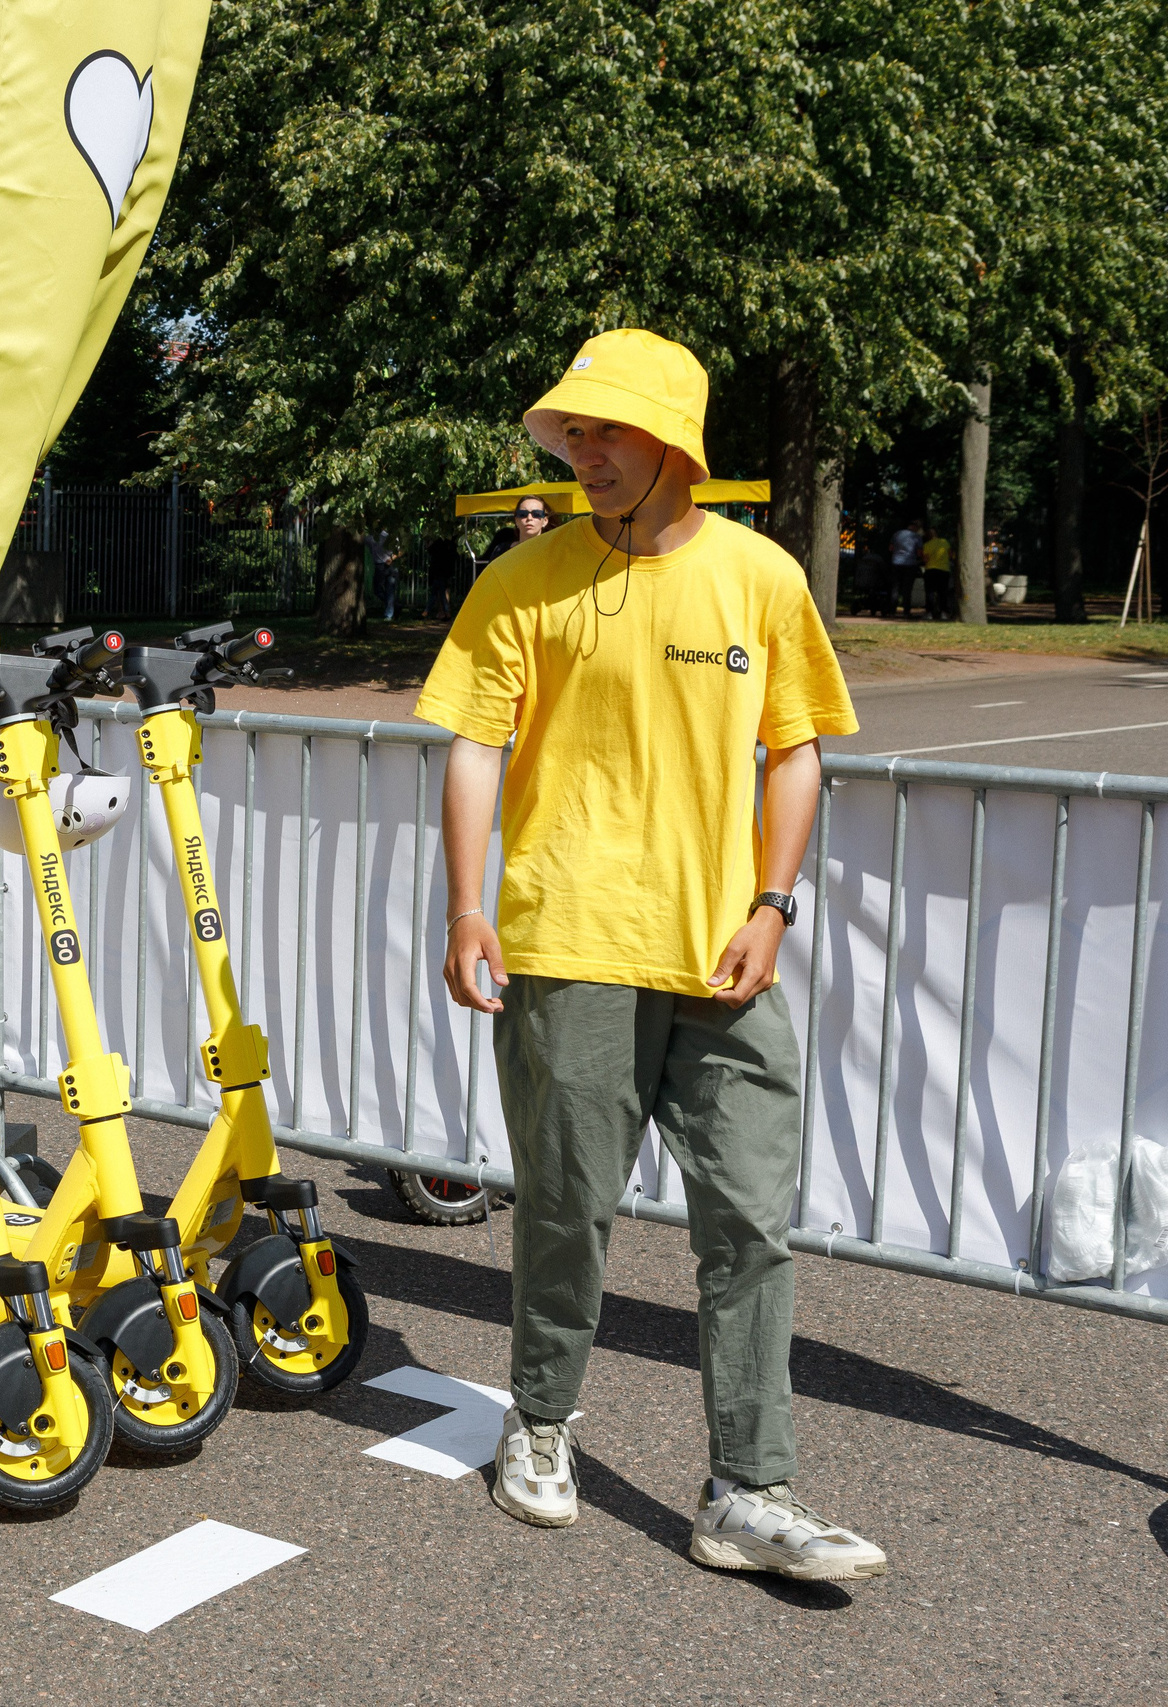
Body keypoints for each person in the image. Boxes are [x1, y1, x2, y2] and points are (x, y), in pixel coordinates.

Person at [416, 328, 887, 1582]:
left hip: (721, 956)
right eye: (573, 432)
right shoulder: (522, 583)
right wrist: (468, 910)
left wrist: (774, 903)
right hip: (568, 942)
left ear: (676, 441)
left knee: (750, 1223)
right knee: (566, 1209)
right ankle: (540, 1422)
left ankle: (746, 1488)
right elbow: (470, 742)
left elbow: (795, 750)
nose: (586, 452)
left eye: (610, 430)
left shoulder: (760, 578)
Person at [889, 518, 923, 618]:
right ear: (915, 527)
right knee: (907, 589)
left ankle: (891, 611)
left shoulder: (897, 534)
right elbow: (919, 553)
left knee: (895, 588)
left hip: (895, 562)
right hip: (909, 564)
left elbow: (890, 548)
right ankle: (906, 612)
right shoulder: (916, 537)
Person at [921, 524, 954, 621]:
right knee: (943, 592)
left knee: (930, 592)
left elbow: (925, 559)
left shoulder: (926, 545)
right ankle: (944, 613)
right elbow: (950, 555)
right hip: (944, 570)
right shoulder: (945, 542)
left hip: (930, 570)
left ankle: (929, 613)